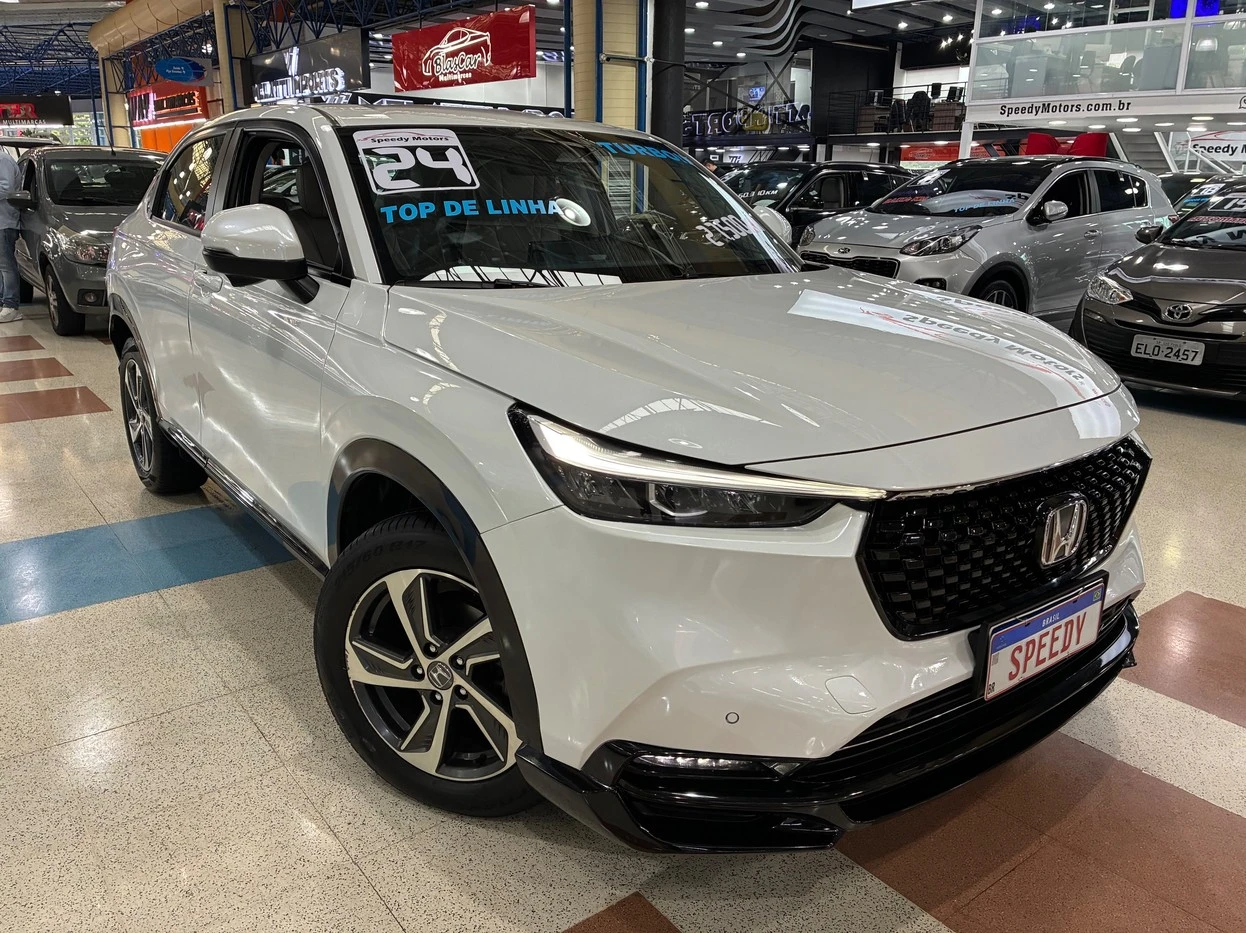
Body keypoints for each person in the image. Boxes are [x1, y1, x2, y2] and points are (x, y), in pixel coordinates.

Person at [0, 146, 22, 323]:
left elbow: (6, 189)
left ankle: (11, 305)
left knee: (6, 265)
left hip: (5, 221)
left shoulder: (3, 160)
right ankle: (3, 301)